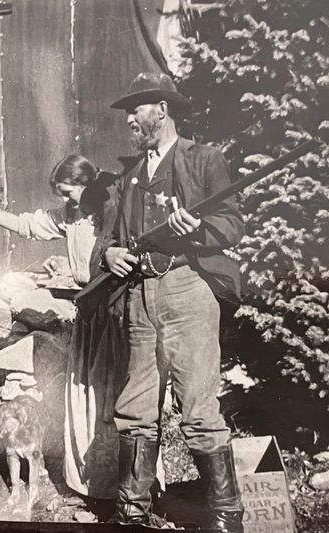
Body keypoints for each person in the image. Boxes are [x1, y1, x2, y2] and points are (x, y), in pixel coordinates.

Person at [100, 72, 245, 531]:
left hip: (188, 289)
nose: (129, 119)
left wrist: (197, 229)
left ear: (161, 109)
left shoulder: (204, 159)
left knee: (198, 405)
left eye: (136, 108)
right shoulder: (127, 177)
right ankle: (132, 511)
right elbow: (106, 238)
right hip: (140, 295)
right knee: (136, 406)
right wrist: (109, 252)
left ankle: (226, 517)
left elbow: (232, 223)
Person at [0, 154, 121, 500]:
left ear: (86, 185)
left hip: (113, 310)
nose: (64, 200)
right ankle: (89, 483)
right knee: (84, 395)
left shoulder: (110, 215)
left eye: (68, 192)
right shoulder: (71, 217)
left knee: (110, 395)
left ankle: (118, 486)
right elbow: (25, 225)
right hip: (88, 312)